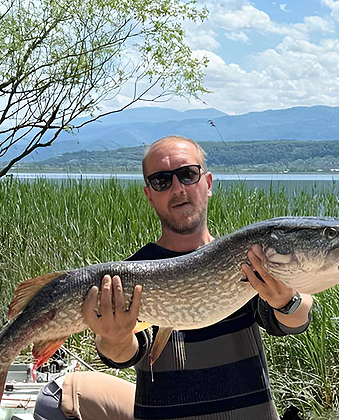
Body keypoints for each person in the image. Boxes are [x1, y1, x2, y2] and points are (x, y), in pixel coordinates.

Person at [33, 136, 313, 420]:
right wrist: (113, 338)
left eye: (188, 174)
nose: (177, 188)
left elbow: (293, 320)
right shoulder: (134, 272)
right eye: (161, 181)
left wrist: (287, 301)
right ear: (149, 195)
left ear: (208, 183)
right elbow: (125, 353)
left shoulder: (243, 258)